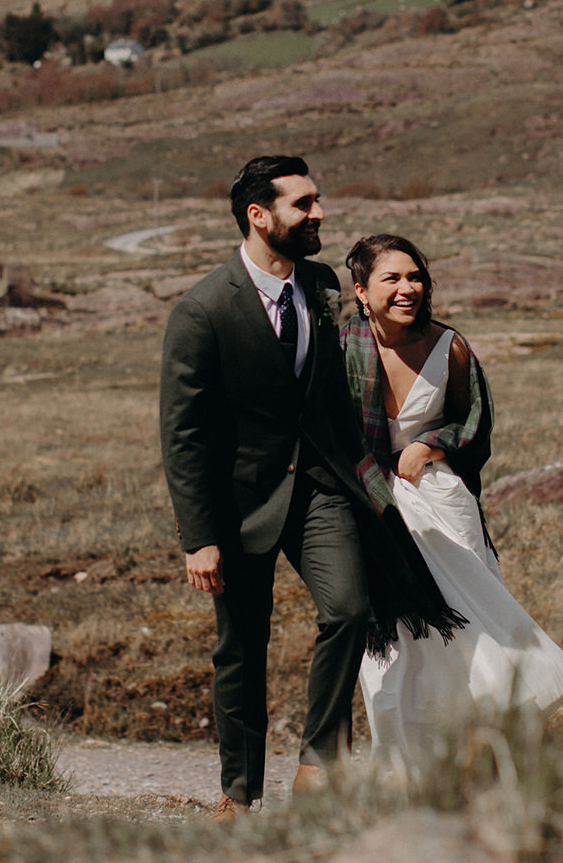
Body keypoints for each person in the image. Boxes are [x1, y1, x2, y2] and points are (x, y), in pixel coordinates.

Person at [160, 157, 463, 817]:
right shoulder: (203, 311)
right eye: (304, 205)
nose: (319, 213)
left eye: (317, 200)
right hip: (239, 506)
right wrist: (199, 538)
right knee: (241, 648)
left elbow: (345, 384)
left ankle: (320, 760)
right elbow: (182, 436)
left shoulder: (324, 285)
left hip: (323, 489)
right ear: (259, 216)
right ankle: (238, 795)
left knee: (349, 610)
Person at [341, 232, 563, 767]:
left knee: (472, 626)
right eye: (392, 278)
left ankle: (491, 756)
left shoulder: (449, 345)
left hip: (443, 502)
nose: (408, 288)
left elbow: (474, 421)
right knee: (392, 646)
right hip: (374, 508)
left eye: (415, 276)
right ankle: (405, 770)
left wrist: (430, 444)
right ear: (360, 290)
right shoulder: (341, 348)